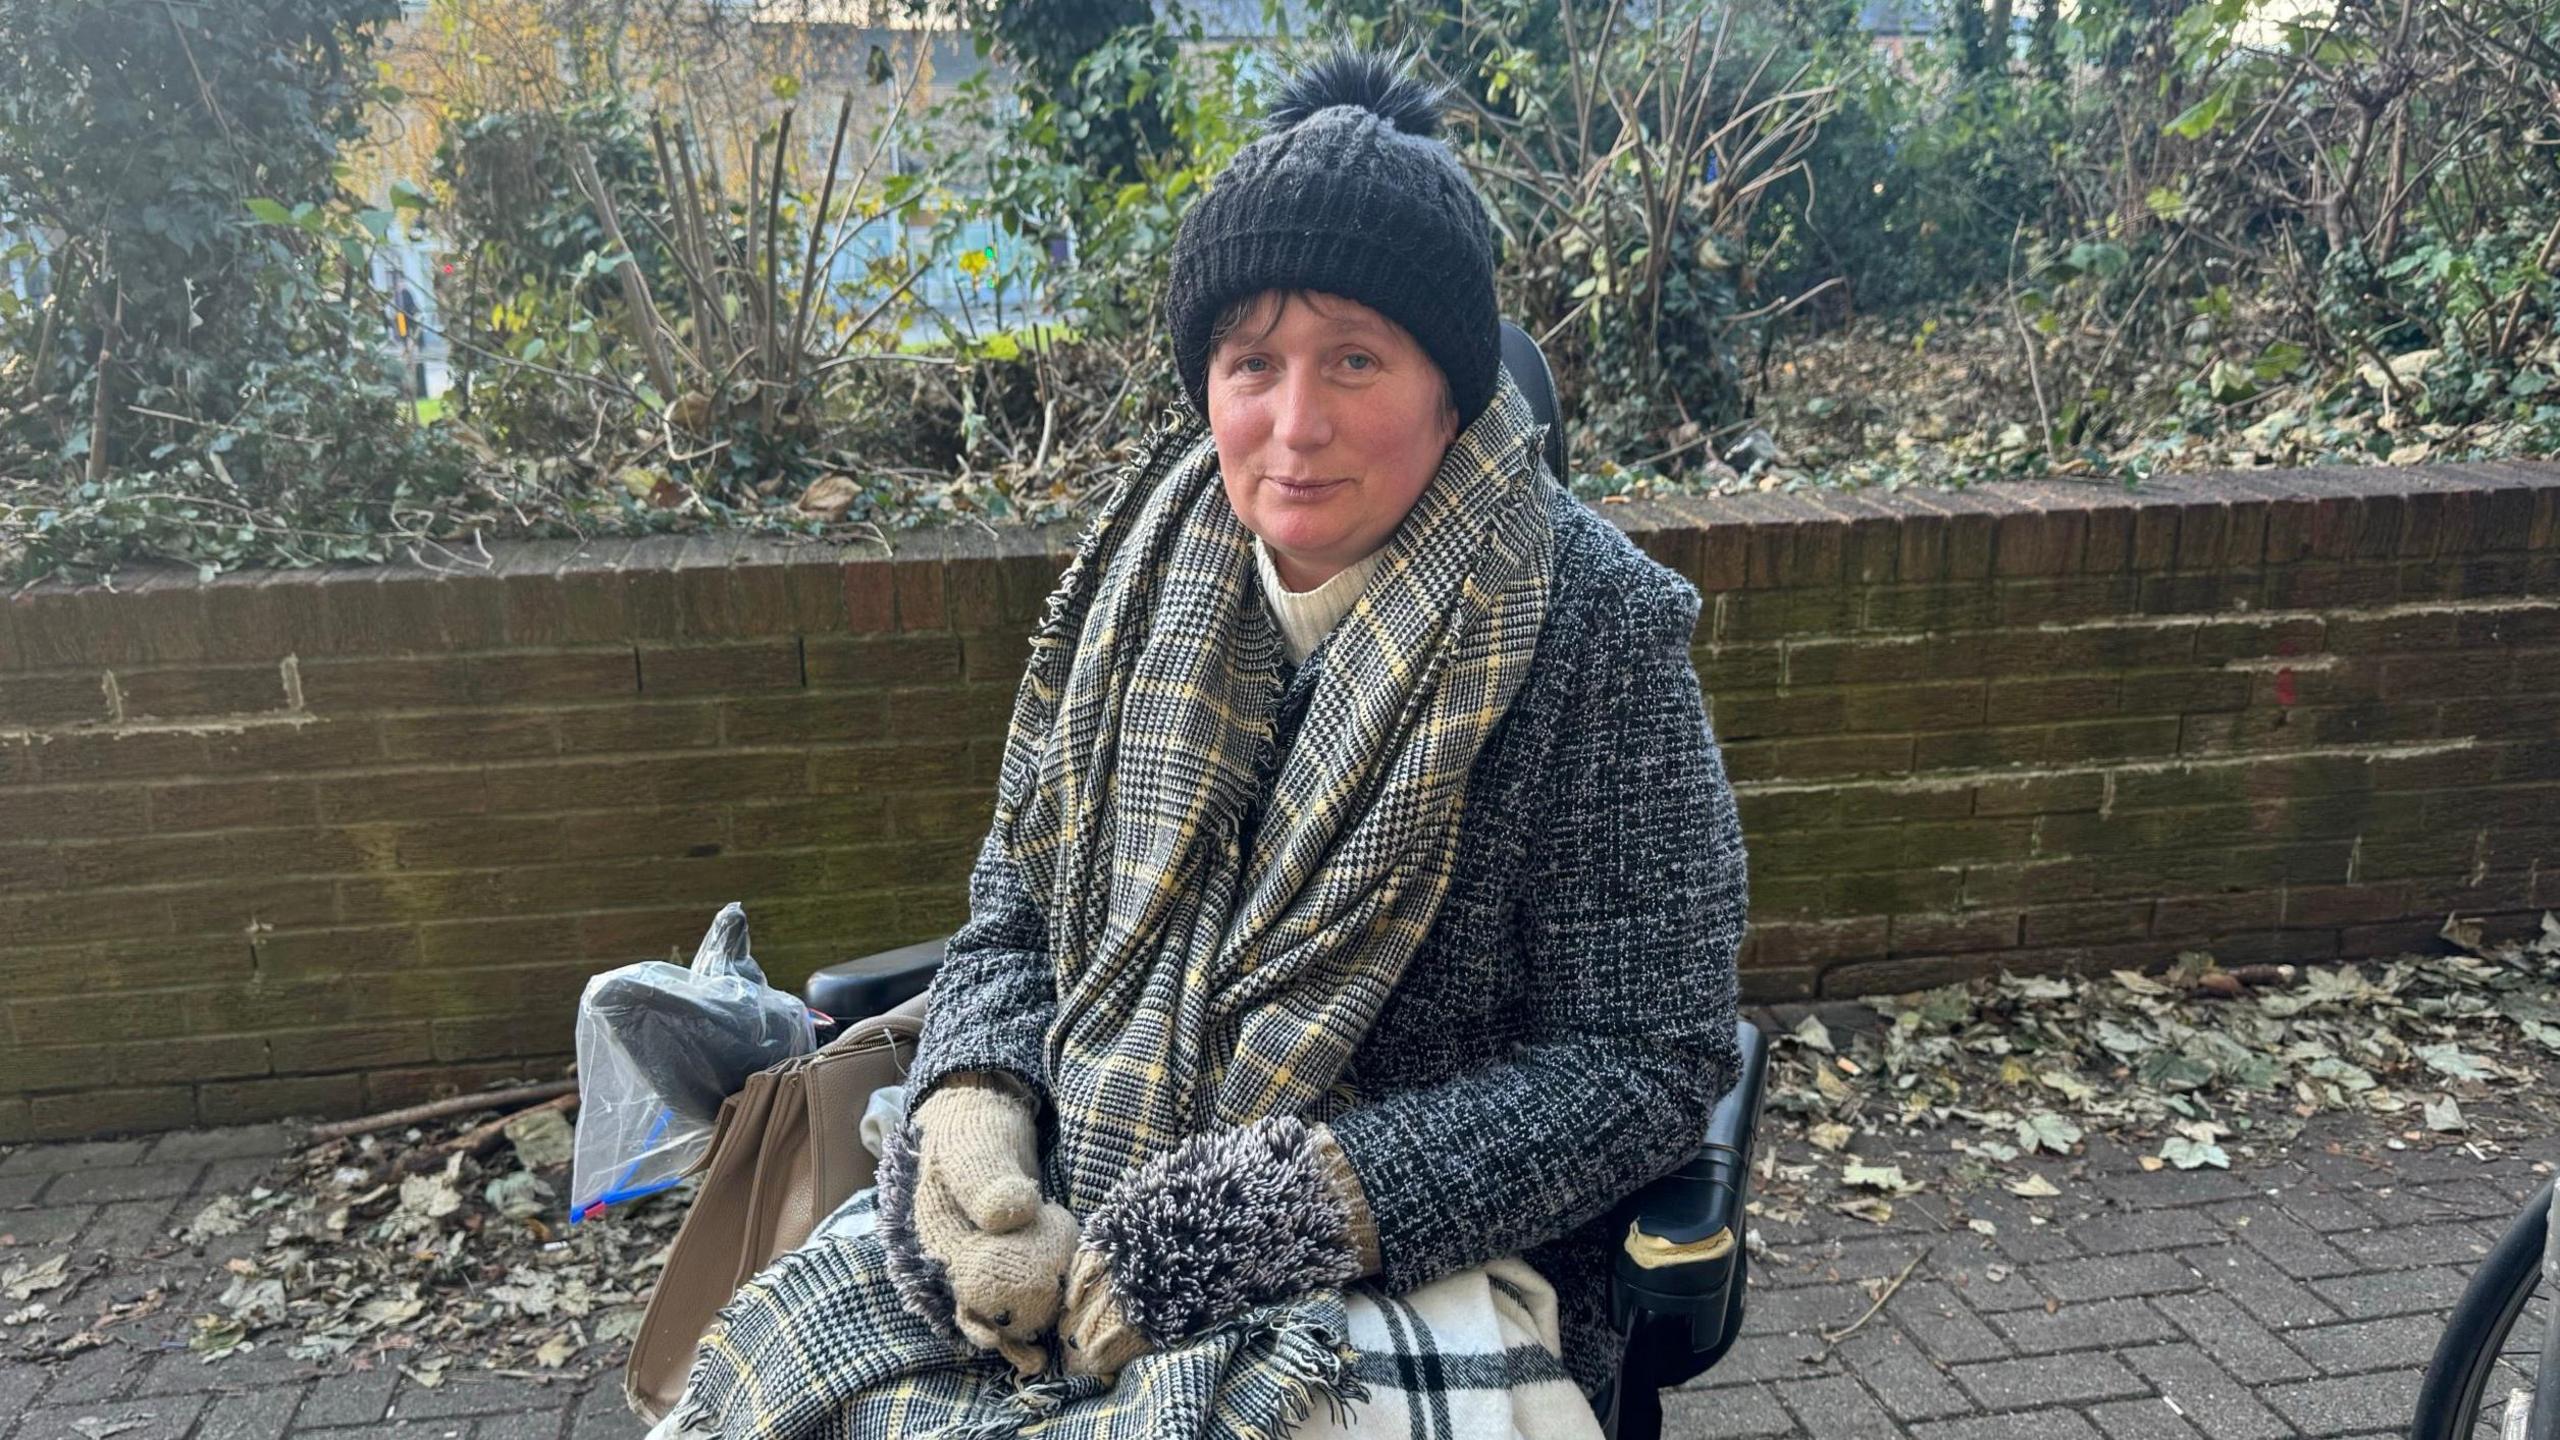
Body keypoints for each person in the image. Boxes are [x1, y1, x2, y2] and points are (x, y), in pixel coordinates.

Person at [652, 46, 1747, 1440]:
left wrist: (1298, 1205)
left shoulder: (1596, 632)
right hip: (1080, 1191)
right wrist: (973, 1119)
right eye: (1253, 364)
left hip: (1429, 1243)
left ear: (1450, 391)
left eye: (1355, 360)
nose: (1295, 426)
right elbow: (1021, 913)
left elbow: (1643, 1060)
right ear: (1206, 381)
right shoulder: (1125, 590)